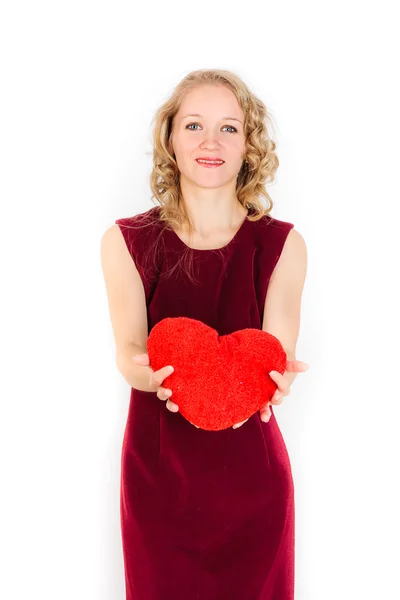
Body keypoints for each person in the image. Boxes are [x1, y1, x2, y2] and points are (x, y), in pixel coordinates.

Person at [101, 68, 308, 600]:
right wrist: (151, 374)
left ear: (250, 145)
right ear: (169, 138)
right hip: (158, 483)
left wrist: (276, 378)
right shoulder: (126, 241)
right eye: (193, 126)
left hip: (254, 487)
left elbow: (276, 350)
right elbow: (128, 347)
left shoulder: (283, 245)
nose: (210, 142)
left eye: (229, 128)